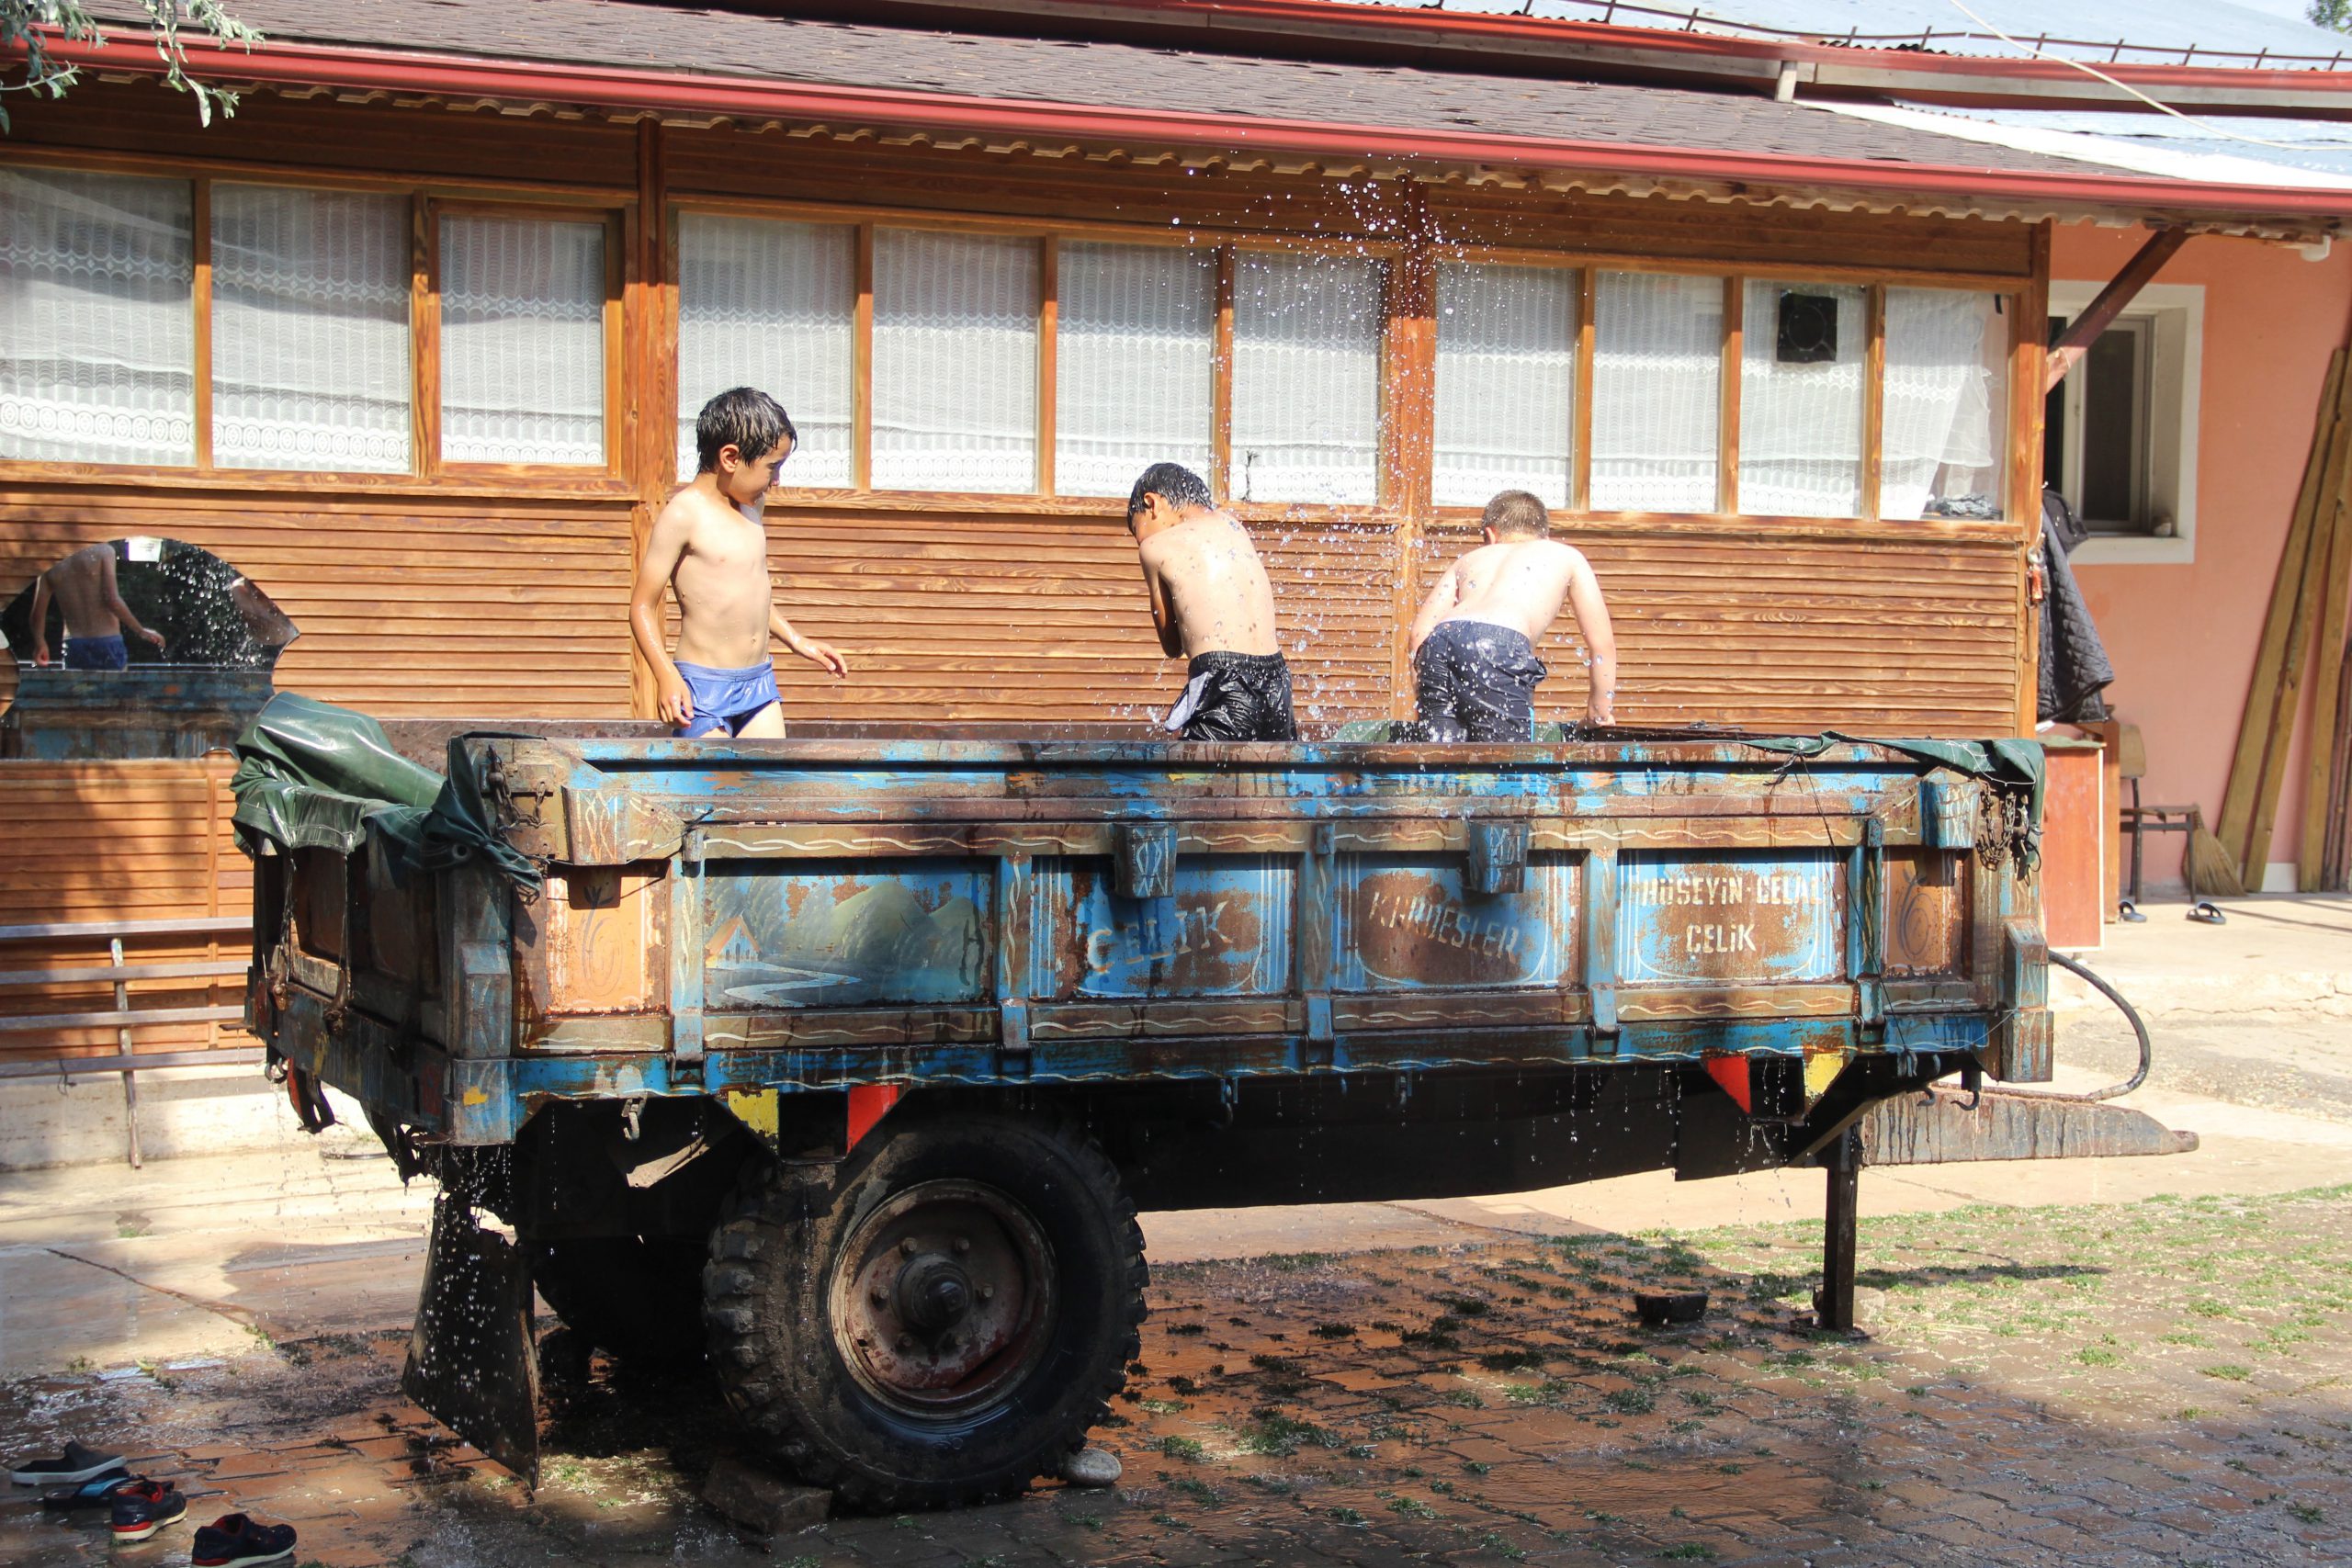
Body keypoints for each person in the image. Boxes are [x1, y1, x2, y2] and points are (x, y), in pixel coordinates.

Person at [629, 388, 847, 738]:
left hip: (758, 685)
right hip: (702, 689)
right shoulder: (684, 515)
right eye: (772, 467)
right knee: (714, 775)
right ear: (730, 458)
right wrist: (665, 674)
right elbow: (641, 606)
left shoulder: (751, 506)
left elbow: (749, 595)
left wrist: (796, 639)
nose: (776, 480)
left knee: (767, 773)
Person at [1407, 490, 1617, 740]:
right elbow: (1601, 645)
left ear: (1490, 535)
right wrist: (1599, 713)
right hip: (1500, 644)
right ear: (1545, 536)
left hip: (1440, 640)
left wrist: (1427, 694)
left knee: (1437, 757)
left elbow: (1419, 634)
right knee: (1505, 759)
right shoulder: (1567, 556)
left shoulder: (1469, 559)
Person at [1125, 462, 1297, 741]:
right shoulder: (1233, 525)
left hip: (1223, 681)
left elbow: (1172, 645)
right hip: (1277, 683)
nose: (1140, 540)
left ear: (1151, 503)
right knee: (1277, 768)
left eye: (1137, 530)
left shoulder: (1154, 546)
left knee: (1192, 769)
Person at [28, 543, 164, 670]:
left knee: (78, 688)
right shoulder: (103, 551)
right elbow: (112, 600)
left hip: (74, 644)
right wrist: (140, 631)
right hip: (107, 643)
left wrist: (40, 642)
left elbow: (37, 614)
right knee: (114, 688)